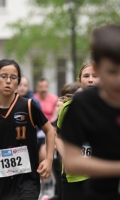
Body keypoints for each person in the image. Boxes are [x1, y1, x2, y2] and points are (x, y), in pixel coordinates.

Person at [0, 59, 55, 200]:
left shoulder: (28, 106)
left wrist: (48, 159)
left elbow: (49, 130)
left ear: (18, 83)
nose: (8, 81)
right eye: (3, 76)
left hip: (26, 179)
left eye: (13, 78)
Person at [60, 24, 120, 200]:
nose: (118, 80)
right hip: (101, 193)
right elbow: (72, 162)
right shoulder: (83, 104)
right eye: (112, 72)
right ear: (97, 69)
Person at [56, 62, 99, 200]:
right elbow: (59, 136)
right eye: (86, 76)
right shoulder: (67, 108)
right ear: (79, 80)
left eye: (95, 76)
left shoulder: (110, 107)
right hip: (74, 176)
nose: (91, 79)